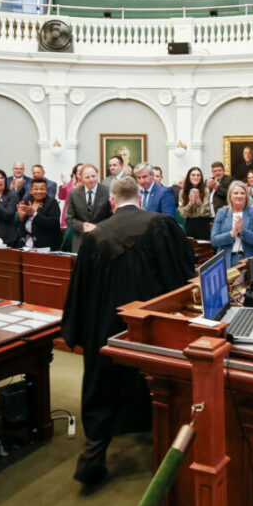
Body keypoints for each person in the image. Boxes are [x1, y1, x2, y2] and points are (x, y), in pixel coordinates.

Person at [61, 176, 195, 486]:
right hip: (152, 327)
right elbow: (182, 275)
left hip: (105, 326)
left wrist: (80, 330)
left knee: (105, 383)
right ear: (140, 198)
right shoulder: (161, 225)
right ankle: (168, 454)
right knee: (157, 383)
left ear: (112, 202)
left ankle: (93, 456)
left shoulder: (96, 237)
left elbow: (80, 290)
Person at [211, 180, 253, 267]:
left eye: (242, 193)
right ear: (230, 195)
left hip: (249, 259)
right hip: (227, 261)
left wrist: (242, 231)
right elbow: (214, 241)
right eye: (236, 193)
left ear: (246, 196)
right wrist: (231, 234)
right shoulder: (222, 213)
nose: (239, 196)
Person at [65, 164, 113, 252]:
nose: (91, 180)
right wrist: (82, 226)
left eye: (93, 176)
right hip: (80, 241)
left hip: (102, 240)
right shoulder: (74, 194)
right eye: (87, 177)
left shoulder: (108, 192)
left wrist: (97, 227)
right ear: (81, 178)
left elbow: (113, 217)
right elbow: (69, 218)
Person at [15, 179, 61, 249]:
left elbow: (54, 223)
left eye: (42, 189)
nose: (39, 191)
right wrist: (21, 217)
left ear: (46, 190)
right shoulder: (28, 201)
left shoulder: (52, 202)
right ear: (31, 191)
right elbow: (19, 226)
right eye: (36, 189)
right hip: (27, 244)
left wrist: (34, 213)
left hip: (45, 245)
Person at [178, 166, 212, 240]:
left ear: (201, 178)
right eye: (193, 175)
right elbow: (182, 213)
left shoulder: (206, 190)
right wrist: (190, 203)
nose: (196, 177)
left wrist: (198, 200)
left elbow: (205, 212)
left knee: (203, 249)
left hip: (203, 223)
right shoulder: (183, 192)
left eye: (198, 175)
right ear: (189, 177)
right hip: (189, 223)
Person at [58, 163, 84, 228]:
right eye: (78, 171)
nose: (80, 172)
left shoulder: (87, 184)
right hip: (68, 213)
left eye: (82, 170)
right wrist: (64, 184)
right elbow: (61, 197)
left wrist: (75, 188)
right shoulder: (70, 183)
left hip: (80, 215)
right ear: (75, 173)